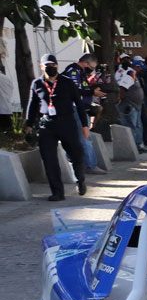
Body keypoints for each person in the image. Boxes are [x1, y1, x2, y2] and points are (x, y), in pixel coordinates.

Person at [24, 59, 88, 201]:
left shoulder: (66, 82)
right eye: (47, 66)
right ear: (41, 67)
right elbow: (32, 105)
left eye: (53, 65)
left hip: (66, 122)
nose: (51, 68)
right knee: (49, 158)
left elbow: (79, 103)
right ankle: (57, 192)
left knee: (76, 154)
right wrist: (28, 125)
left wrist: (84, 125)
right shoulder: (37, 84)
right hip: (47, 124)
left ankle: (80, 179)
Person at [114, 57, 147, 153]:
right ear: (136, 67)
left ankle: (138, 145)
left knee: (137, 125)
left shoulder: (135, 75)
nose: (141, 70)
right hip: (130, 104)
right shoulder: (130, 74)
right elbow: (122, 88)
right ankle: (132, 147)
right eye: (140, 67)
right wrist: (122, 100)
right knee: (131, 125)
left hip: (137, 105)